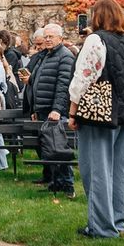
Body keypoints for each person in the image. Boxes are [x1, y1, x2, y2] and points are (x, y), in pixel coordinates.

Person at [68, 0, 124, 238]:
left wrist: (73, 110)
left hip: (99, 111)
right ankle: (119, 221)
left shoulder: (95, 41)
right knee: (118, 169)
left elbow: (83, 77)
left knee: (96, 169)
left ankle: (101, 226)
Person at [28, 23, 76, 195]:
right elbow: (38, 82)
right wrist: (35, 108)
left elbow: (63, 86)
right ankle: (56, 182)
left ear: (60, 39)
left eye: (51, 37)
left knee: (59, 149)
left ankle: (68, 185)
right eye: (46, 37)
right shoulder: (46, 56)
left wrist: (57, 109)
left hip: (55, 112)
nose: (47, 39)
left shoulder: (65, 56)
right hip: (43, 110)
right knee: (49, 149)